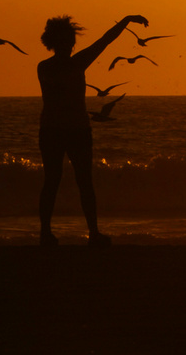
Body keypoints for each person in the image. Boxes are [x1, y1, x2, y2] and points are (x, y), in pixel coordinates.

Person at [36, 13, 146, 247]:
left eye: (70, 41)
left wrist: (125, 20)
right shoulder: (63, 65)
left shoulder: (54, 65)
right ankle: (49, 232)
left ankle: (91, 233)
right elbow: (103, 42)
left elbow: (105, 41)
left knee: (79, 181)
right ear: (57, 42)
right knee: (57, 181)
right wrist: (126, 20)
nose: (69, 45)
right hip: (61, 130)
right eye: (66, 40)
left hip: (68, 130)